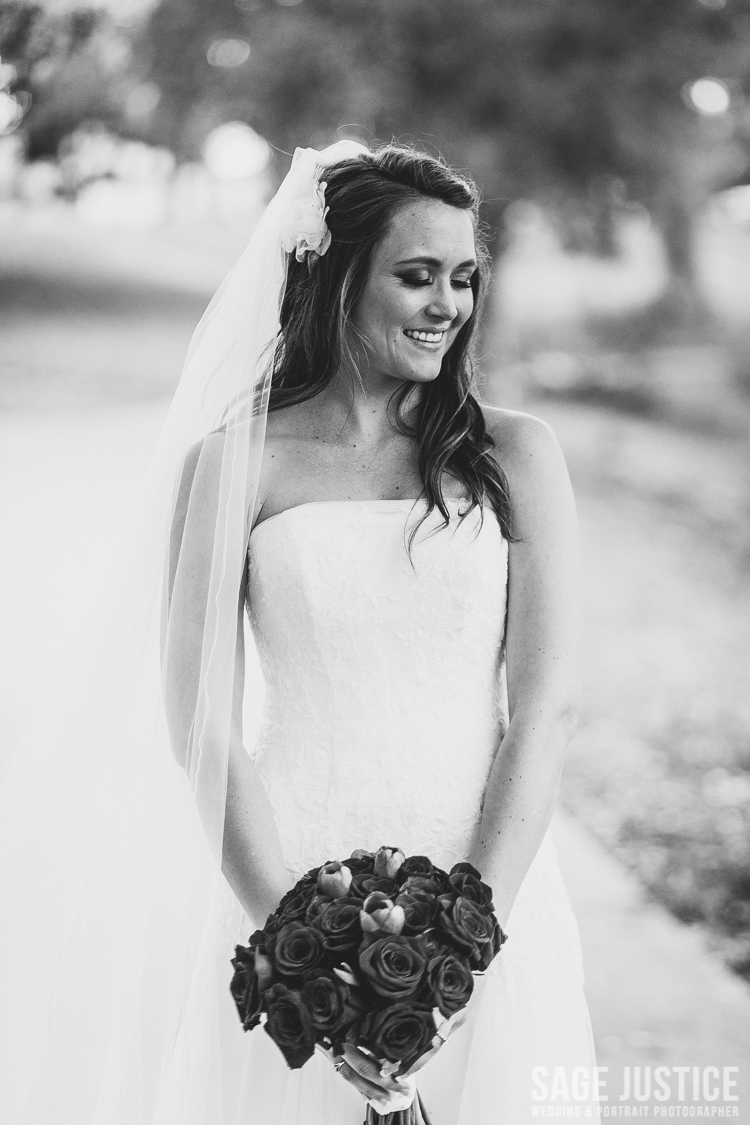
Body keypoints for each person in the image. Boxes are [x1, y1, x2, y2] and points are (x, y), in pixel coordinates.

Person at [0, 141, 596, 1125]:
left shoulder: (515, 456)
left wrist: (461, 949)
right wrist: (301, 952)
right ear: (332, 281)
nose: (447, 302)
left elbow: (546, 712)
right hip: (289, 881)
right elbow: (202, 727)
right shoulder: (235, 463)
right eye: (416, 276)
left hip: (493, 878)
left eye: (462, 277)